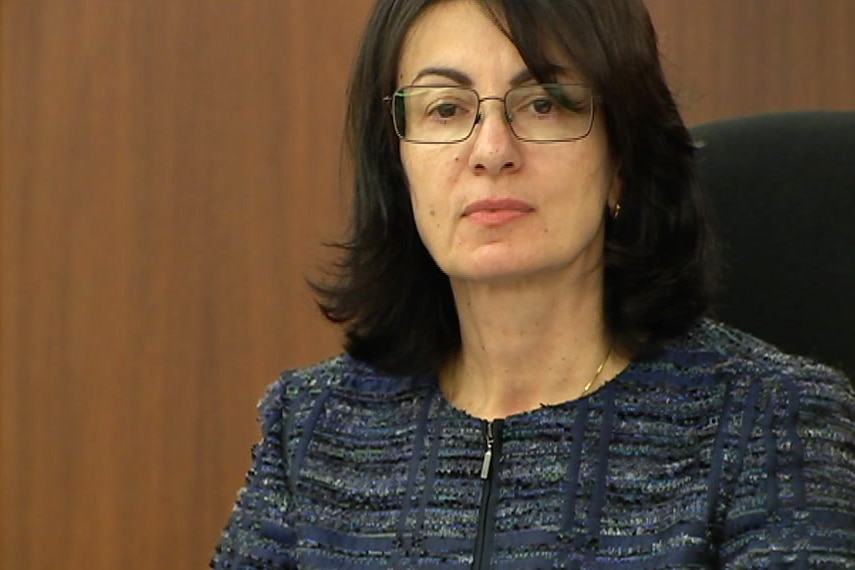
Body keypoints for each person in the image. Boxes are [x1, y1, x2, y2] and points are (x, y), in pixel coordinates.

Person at [211, 0, 855, 568]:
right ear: (398, 162)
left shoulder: (769, 422)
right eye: (446, 108)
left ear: (623, 161)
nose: (491, 149)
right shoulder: (313, 428)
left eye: (543, 102)